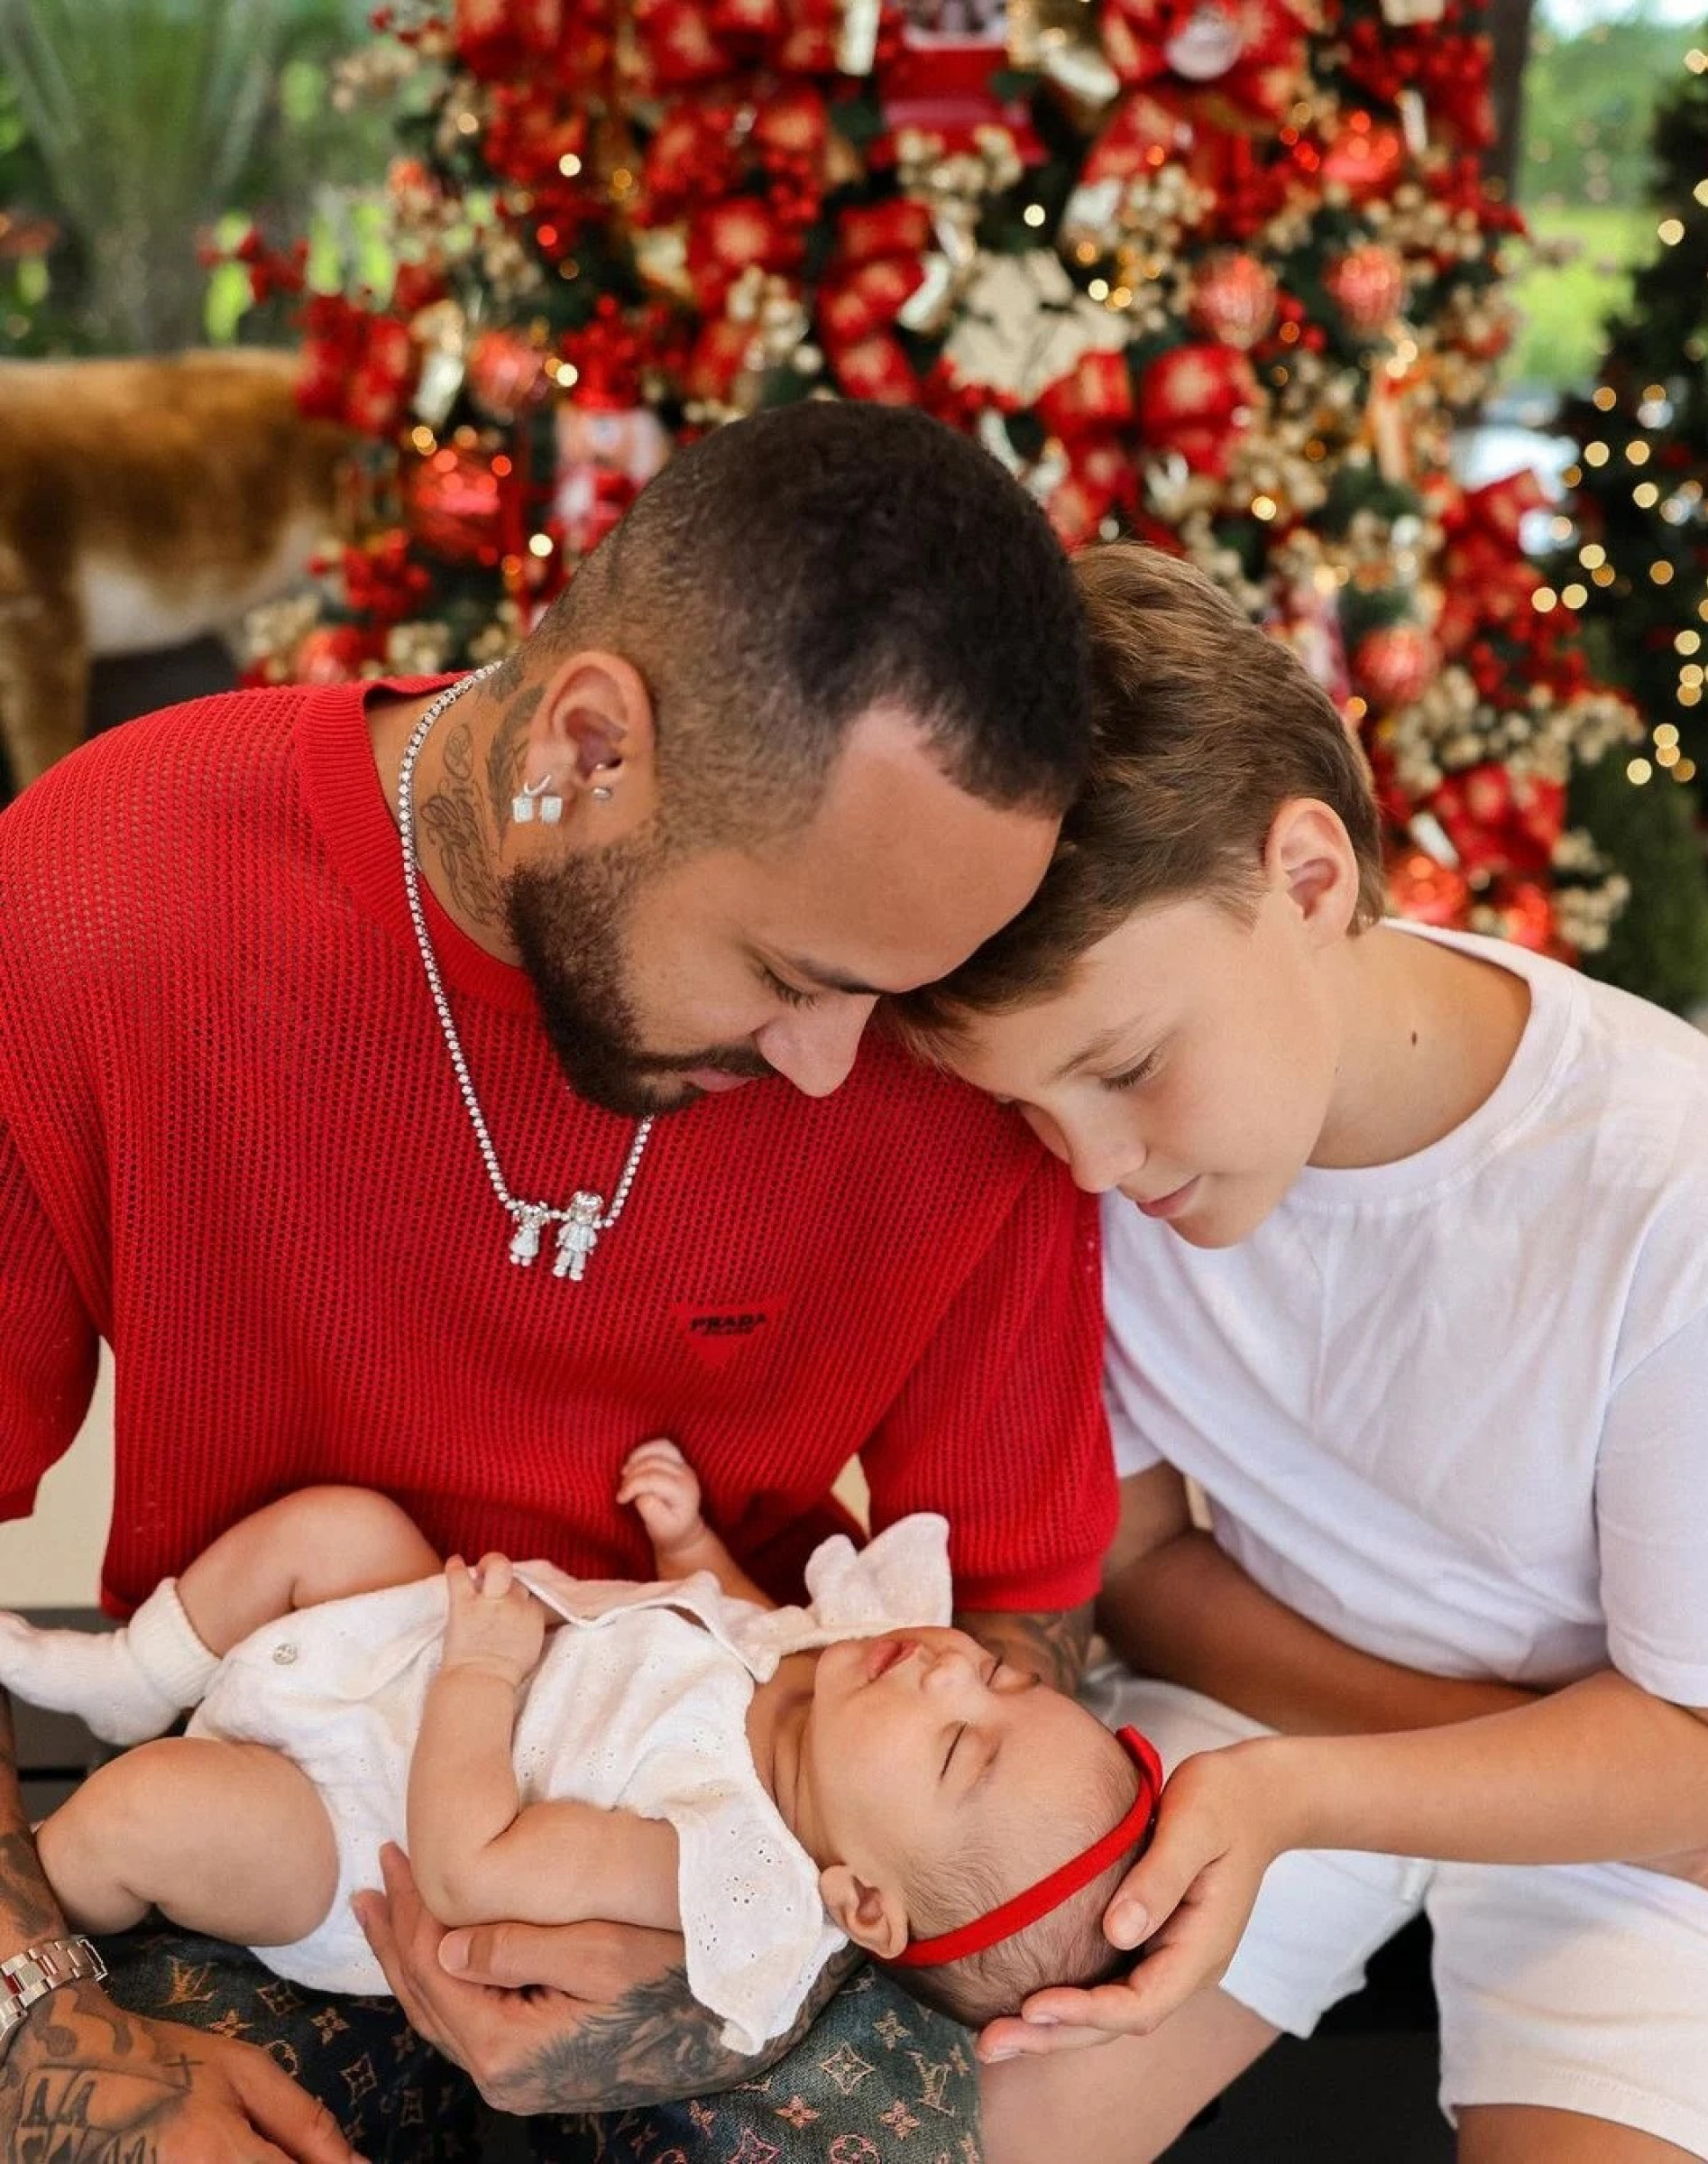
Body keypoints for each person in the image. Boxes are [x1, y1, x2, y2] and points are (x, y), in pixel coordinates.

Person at [0, 400, 1116, 2162]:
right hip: (271, 1805)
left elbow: (1017, 1611)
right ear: (591, 744)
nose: (842, 1061)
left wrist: (721, 1941)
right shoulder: (106, 892)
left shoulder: (949, 1050)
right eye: (790, 971)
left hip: (732, 1862)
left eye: (896, 991)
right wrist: (34, 2012)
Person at [894, 542, 1708, 2164]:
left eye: (1127, 1067)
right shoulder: (1096, 1158)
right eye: (1028, 1104)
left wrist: (1335, 1785)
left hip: (1623, 1808)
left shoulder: (1676, 1199)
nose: (1087, 1166)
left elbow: (1704, 1750)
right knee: (968, 2136)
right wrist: (1353, 1769)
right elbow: (1137, 1563)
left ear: (1307, 877)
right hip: (1277, 1712)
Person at [1, 1443, 1157, 2048]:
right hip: (412, 1642)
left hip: (355, 1824)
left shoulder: (719, 1857)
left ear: (859, 1898)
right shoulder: (832, 1666)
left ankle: (56, 1881)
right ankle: (133, 1677)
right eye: (1000, 1674)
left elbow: (472, 1869)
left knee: (154, 1807)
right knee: (338, 1525)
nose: (952, 1669)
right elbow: (740, 1616)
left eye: (955, 1748)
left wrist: (484, 1671)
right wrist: (690, 1543)